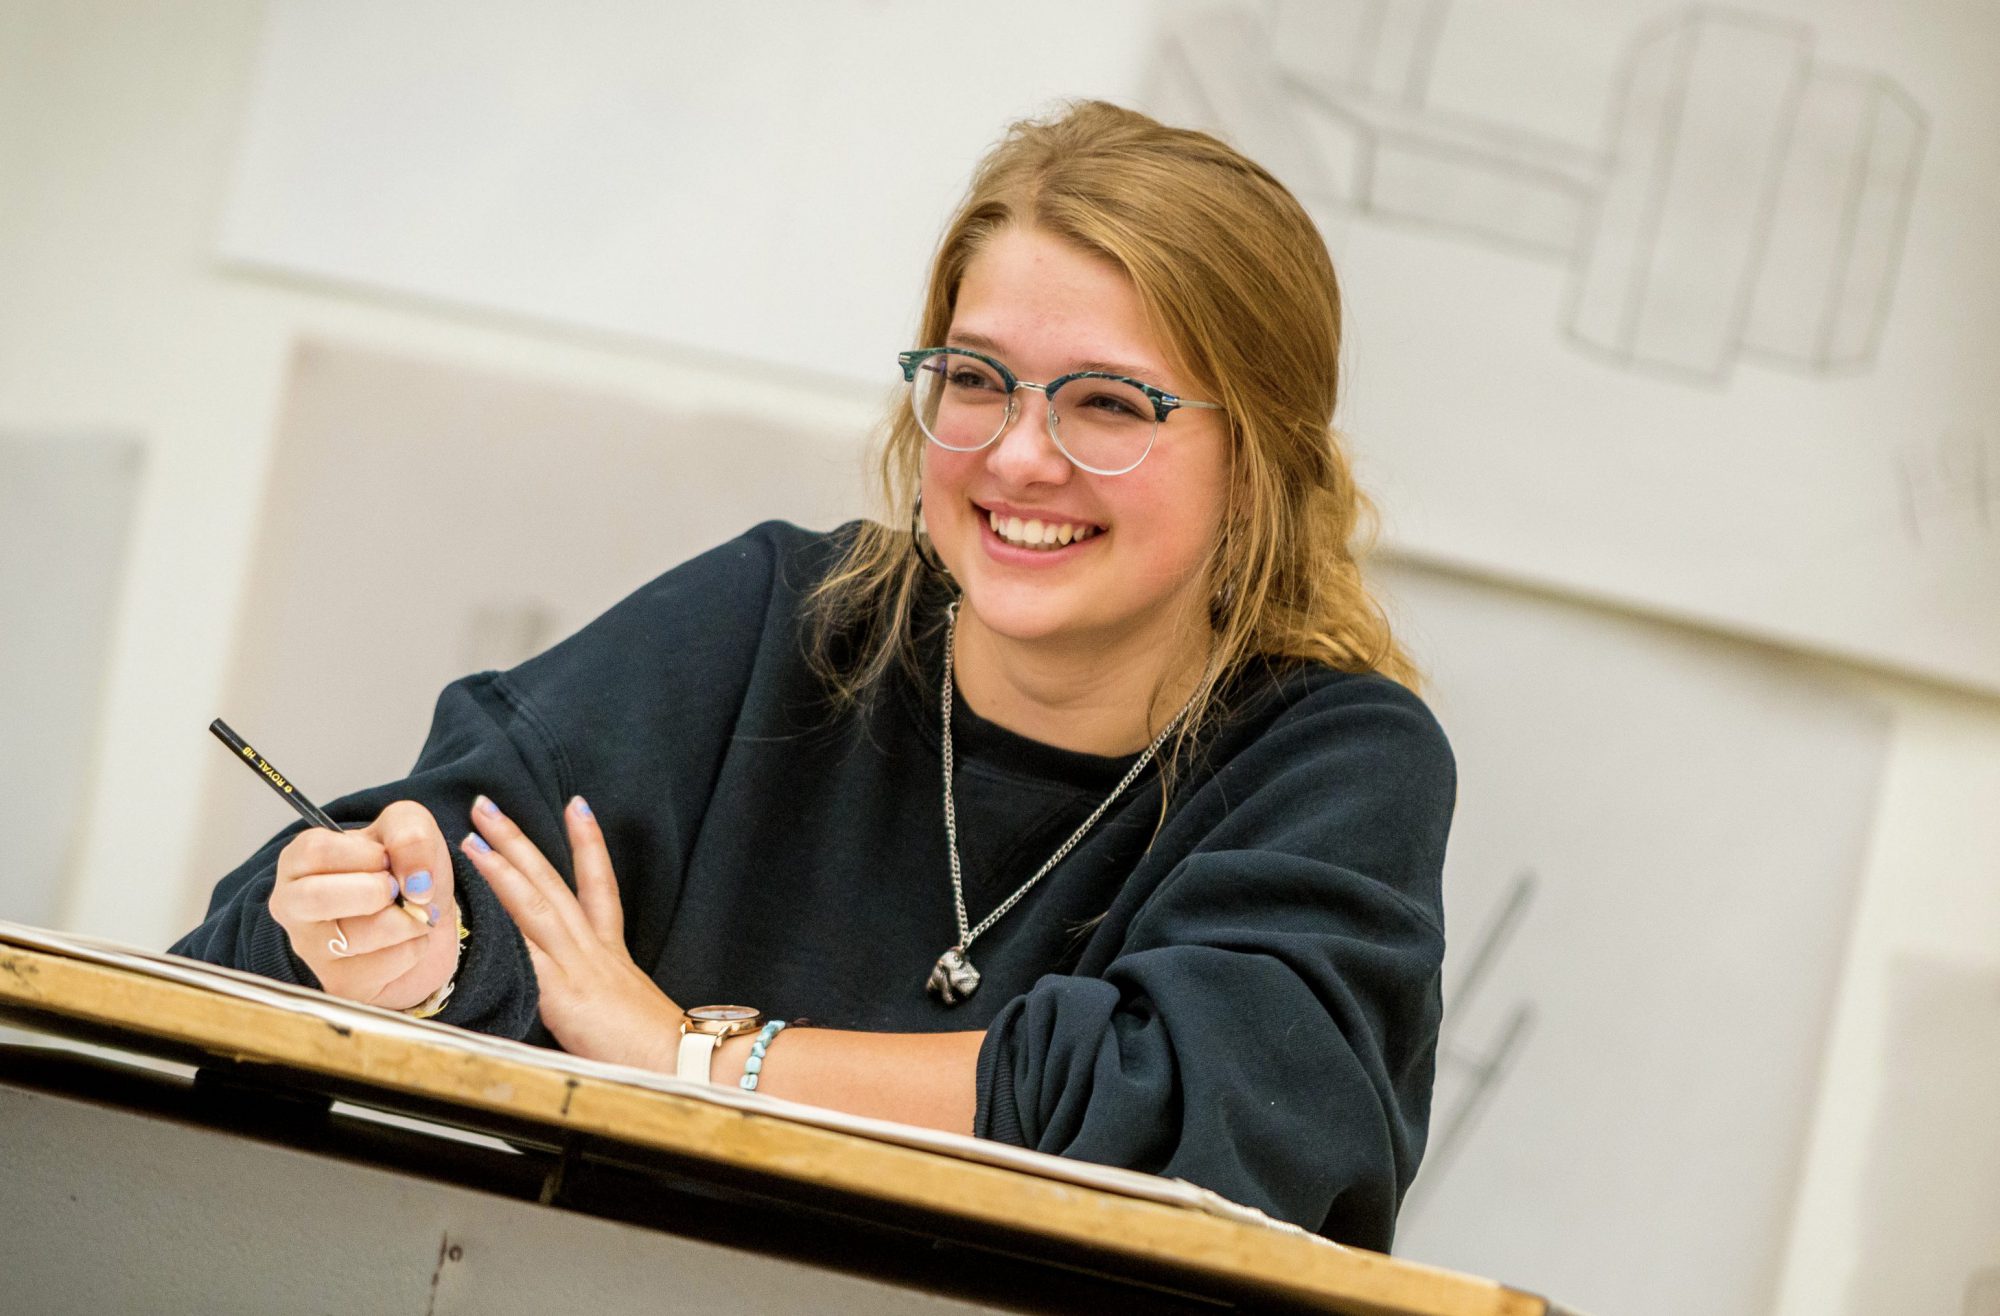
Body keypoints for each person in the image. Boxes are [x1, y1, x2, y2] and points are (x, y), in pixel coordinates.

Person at [174, 100, 1454, 1250]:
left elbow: (1171, 1104)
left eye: (1108, 405)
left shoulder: (1334, 759)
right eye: (974, 380)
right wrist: (395, 939)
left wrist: (687, 1053)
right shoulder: (777, 622)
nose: (1017, 456)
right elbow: (392, 897)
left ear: (1262, 457)